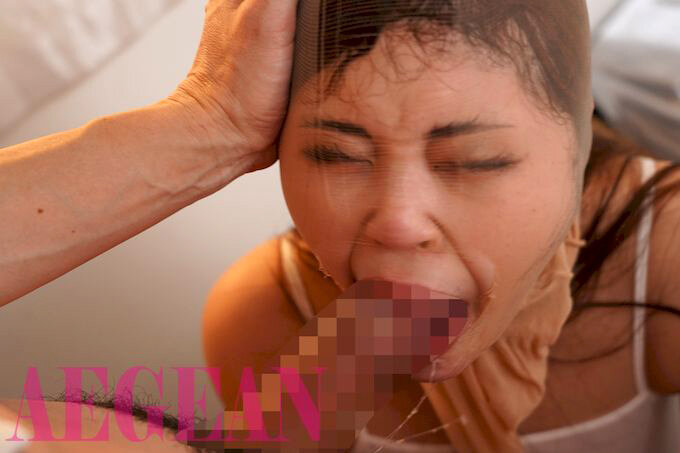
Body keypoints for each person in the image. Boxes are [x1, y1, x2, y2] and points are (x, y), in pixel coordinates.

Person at [201, 0, 680, 452]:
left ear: (576, 141)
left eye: (475, 160)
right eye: (337, 155)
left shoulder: (663, 245)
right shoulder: (266, 312)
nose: (399, 224)